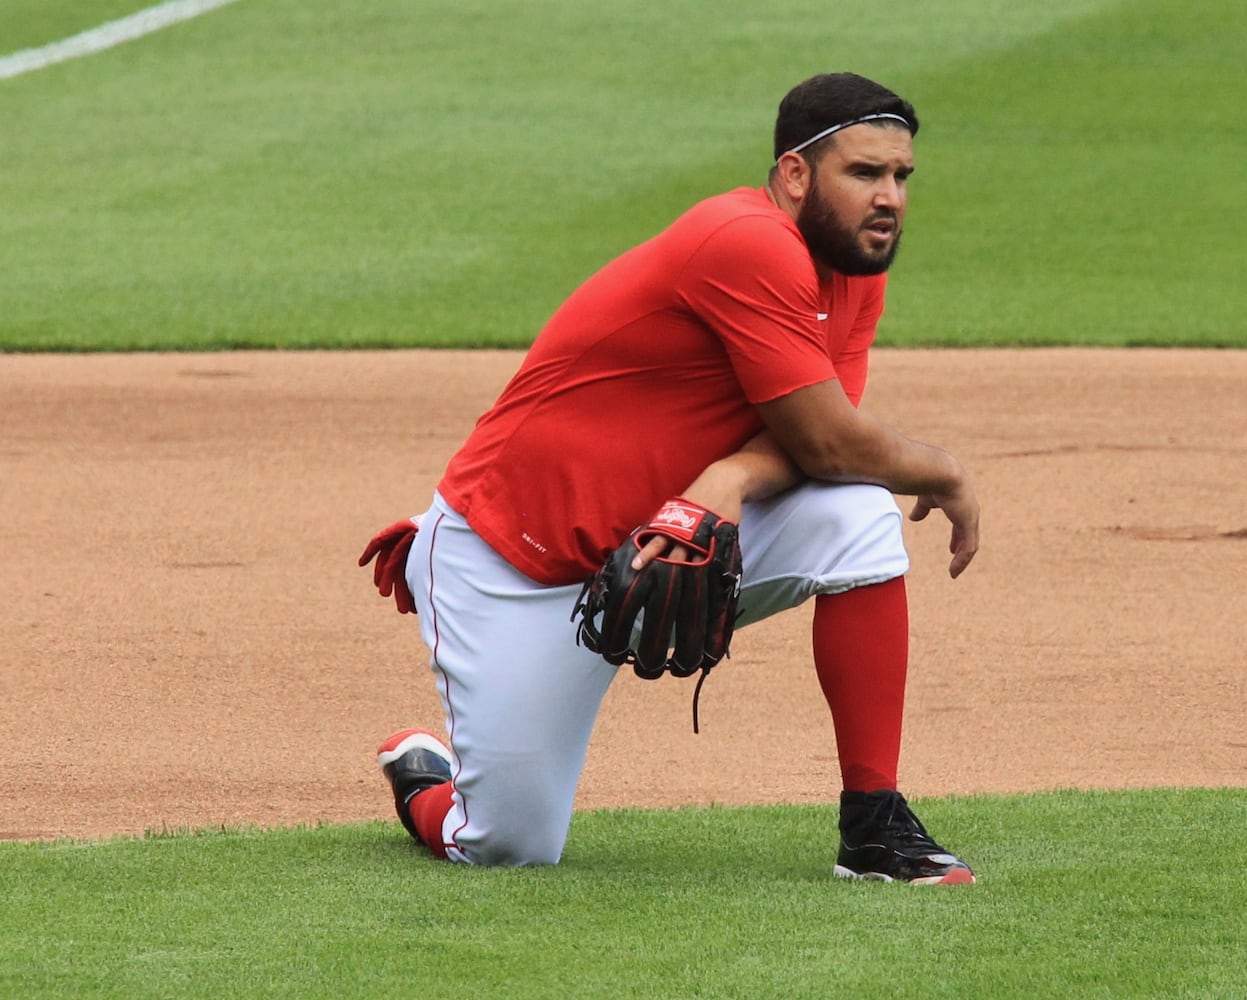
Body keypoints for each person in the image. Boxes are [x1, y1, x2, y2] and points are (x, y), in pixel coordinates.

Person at [364, 72, 981, 885]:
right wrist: (948, 472)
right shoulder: (743, 239)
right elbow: (830, 440)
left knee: (855, 516)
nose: (889, 198)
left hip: (667, 540)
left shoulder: (855, 270)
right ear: (794, 174)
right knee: (509, 846)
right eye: (863, 173)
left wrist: (726, 476)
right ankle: (421, 775)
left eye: (901, 176)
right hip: (513, 560)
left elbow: (806, 441)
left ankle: (873, 827)